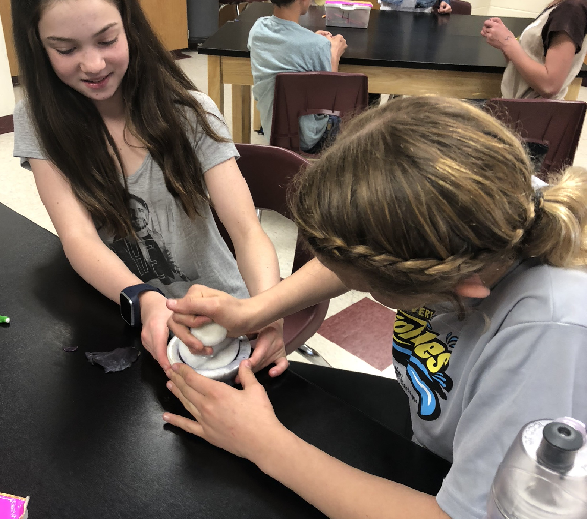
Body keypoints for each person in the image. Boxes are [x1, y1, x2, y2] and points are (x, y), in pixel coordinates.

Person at [164, 96, 586, 519]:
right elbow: (359, 257)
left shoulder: (548, 336)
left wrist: (265, 446)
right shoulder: (492, 205)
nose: (348, 276)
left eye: (367, 283)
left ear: (458, 283)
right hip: (433, 426)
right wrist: (255, 311)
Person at [10, 0, 287, 377]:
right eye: (65, 48)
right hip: (128, 313)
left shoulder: (189, 112)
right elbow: (77, 238)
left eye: (107, 39)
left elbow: (247, 230)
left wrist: (265, 309)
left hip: (224, 319)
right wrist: (146, 301)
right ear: (38, 48)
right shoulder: (37, 123)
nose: (94, 64)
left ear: (129, 26)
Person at [248, 0, 347, 153]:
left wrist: (309, 37)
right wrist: (333, 54)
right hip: (312, 141)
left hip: (274, 132)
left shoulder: (257, 31)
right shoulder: (318, 46)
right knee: (368, 98)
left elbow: (287, 41)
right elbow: (329, 100)